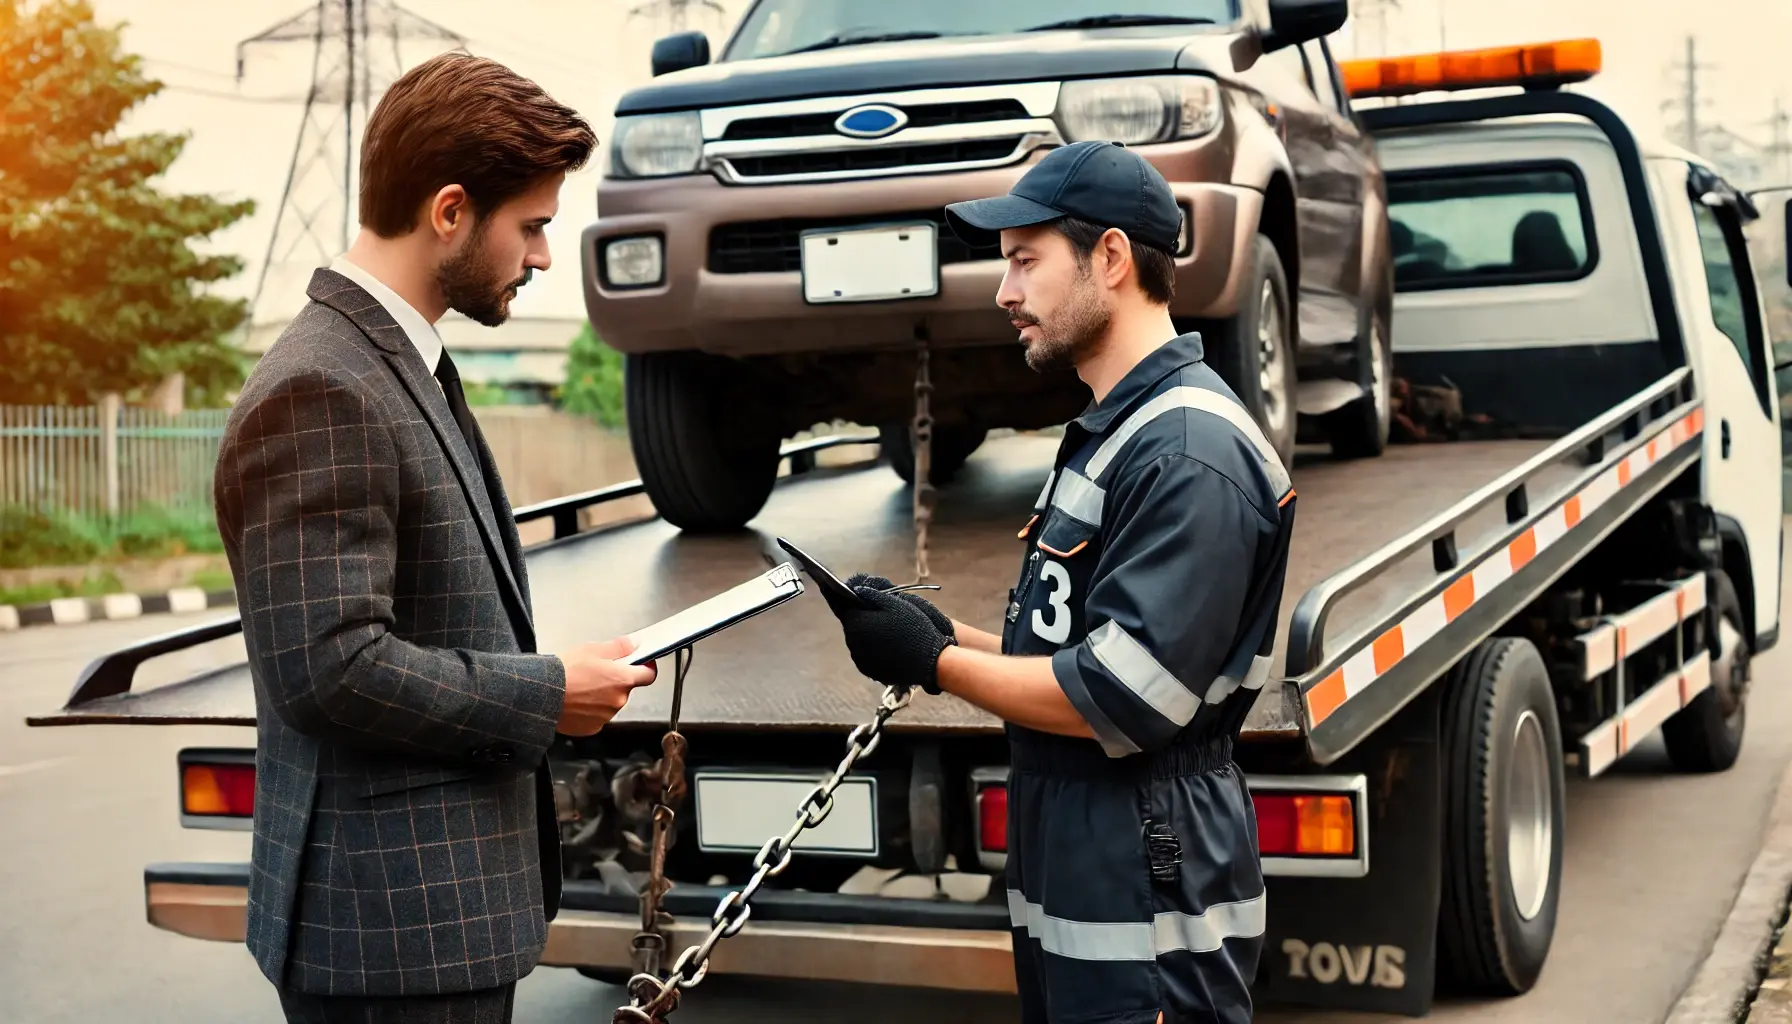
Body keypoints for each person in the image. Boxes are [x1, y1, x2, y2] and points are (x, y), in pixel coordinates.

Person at [212, 52, 657, 1024]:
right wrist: (548, 692)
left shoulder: (390, 363)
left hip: (421, 926)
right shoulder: (323, 386)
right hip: (388, 937)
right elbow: (330, 667)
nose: (542, 255)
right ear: (449, 211)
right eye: (532, 225)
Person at [823, 141, 1297, 1024]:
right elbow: (1072, 653)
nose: (1004, 292)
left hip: (1147, 870)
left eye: (1024, 262)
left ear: (1111, 259)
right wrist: (934, 631)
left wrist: (936, 667)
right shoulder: (1116, 431)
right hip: (1084, 846)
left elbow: (1121, 696)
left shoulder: (1188, 451)